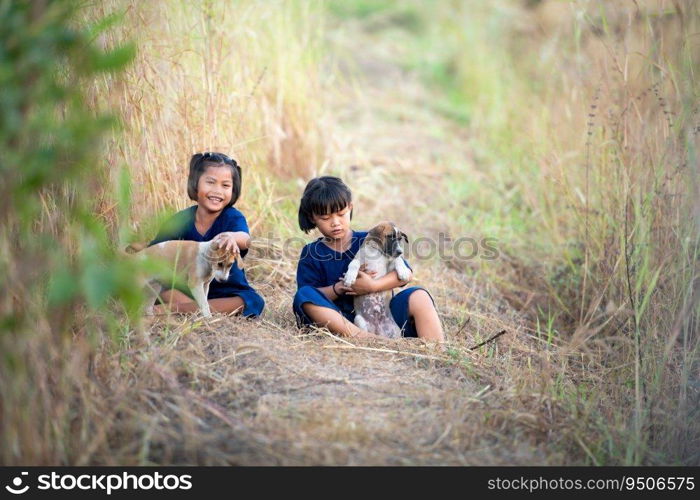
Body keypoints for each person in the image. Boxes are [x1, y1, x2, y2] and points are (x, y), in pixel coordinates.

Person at [293, 176, 444, 341]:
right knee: (303, 295)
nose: (335, 222)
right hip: (342, 321)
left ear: (350, 208)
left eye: (341, 214)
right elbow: (312, 293)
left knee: (419, 295)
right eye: (325, 218)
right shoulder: (311, 252)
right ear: (312, 217)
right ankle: (367, 338)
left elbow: (404, 275)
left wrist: (372, 285)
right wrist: (339, 287)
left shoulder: (372, 239)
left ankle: (436, 350)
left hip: (385, 316)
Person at [149, 152, 264, 317]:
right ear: (195, 184)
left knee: (252, 300)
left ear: (233, 190)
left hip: (224, 292)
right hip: (187, 287)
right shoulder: (180, 219)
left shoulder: (233, 217)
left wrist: (231, 237)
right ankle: (194, 308)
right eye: (210, 182)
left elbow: (245, 239)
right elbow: (155, 250)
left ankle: (175, 309)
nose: (217, 191)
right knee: (160, 286)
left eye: (225, 186)